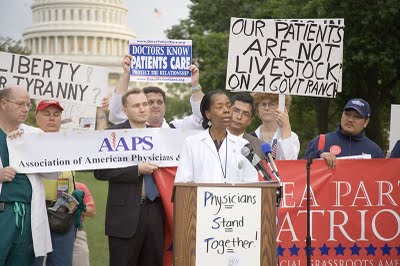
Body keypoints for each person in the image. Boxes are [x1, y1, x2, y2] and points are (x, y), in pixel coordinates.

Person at [94, 88, 164, 266]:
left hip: (156, 213)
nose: (143, 109)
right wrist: (136, 170)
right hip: (124, 216)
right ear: (125, 110)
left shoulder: (161, 135)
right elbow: (100, 172)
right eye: (136, 106)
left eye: (145, 104)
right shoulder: (113, 135)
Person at [0, 86, 53, 265]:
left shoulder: (35, 134)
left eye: (29, 105)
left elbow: (52, 173)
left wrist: (27, 147)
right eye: (20, 104)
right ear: (3, 103)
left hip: (28, 215)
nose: (25, 109)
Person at [175, 90, 258, 183]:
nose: (226, 110)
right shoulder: (192, 143)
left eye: (229, 106)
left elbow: (252, 184)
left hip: (233, 197)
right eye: (220, 107)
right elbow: (183, 182)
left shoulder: (243, 146)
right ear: (208, 114)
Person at [33, 100, 77, 266]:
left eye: (56, 114)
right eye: (47, 114)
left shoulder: (70, 142)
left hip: (64, 208)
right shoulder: (27, 141)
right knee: (33, 260)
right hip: (36, 210)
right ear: (37, 117)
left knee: (62, 262)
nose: (52, 118)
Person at [108, 54, 204, 129]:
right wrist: (127, 74)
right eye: (149, 102)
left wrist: (195, 84)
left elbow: (201, 119)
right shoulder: (130, 128)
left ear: (165, 106)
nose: (155, 106)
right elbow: (116, 115)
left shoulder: (177, 128)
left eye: (159, 102)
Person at [303, 98, 385, 169]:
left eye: (357, 116)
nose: (350, 119)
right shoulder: (321, 141)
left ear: (366, 122)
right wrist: (318, 155)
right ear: (342, 115)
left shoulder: (375, 151)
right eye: (347, 114)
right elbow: (300, 170)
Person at [250, 92, 300, 160]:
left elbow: (289, 162)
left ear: (282, 108)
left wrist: (286, 127)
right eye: (263, 104)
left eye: (272, 104)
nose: (266, 108)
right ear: (258, 108)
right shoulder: (249, 138)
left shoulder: (292, 136)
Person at [228, 92, 265, 159]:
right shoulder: (209, 139)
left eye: (245, 114)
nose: (239, 117)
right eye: (236, 111)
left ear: (250, 120)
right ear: (227, 110)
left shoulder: (260, 147)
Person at [73, 182, 96, 266]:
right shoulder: (45, 183)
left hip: (76, 233)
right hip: (50, 233)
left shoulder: (80, 186)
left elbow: (92, 212)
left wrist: (79, 207)